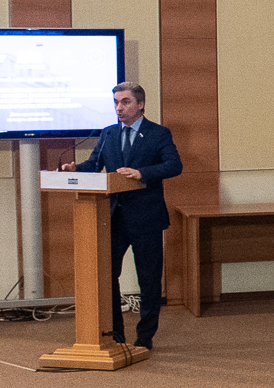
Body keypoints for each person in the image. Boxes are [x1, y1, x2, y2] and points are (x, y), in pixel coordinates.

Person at [60, 81, 182, 351]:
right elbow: (95, 164)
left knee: (148, 280)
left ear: (140, 104)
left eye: (125, 102)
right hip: (113, 217)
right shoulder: (108, 134)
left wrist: (142, 173)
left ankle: (145, 337)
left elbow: (174, 165)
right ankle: (116, 332)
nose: (119, 108)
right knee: (107, 274)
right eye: (116, 102)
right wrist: (75, 169)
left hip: (147, 217)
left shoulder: (158, 133)